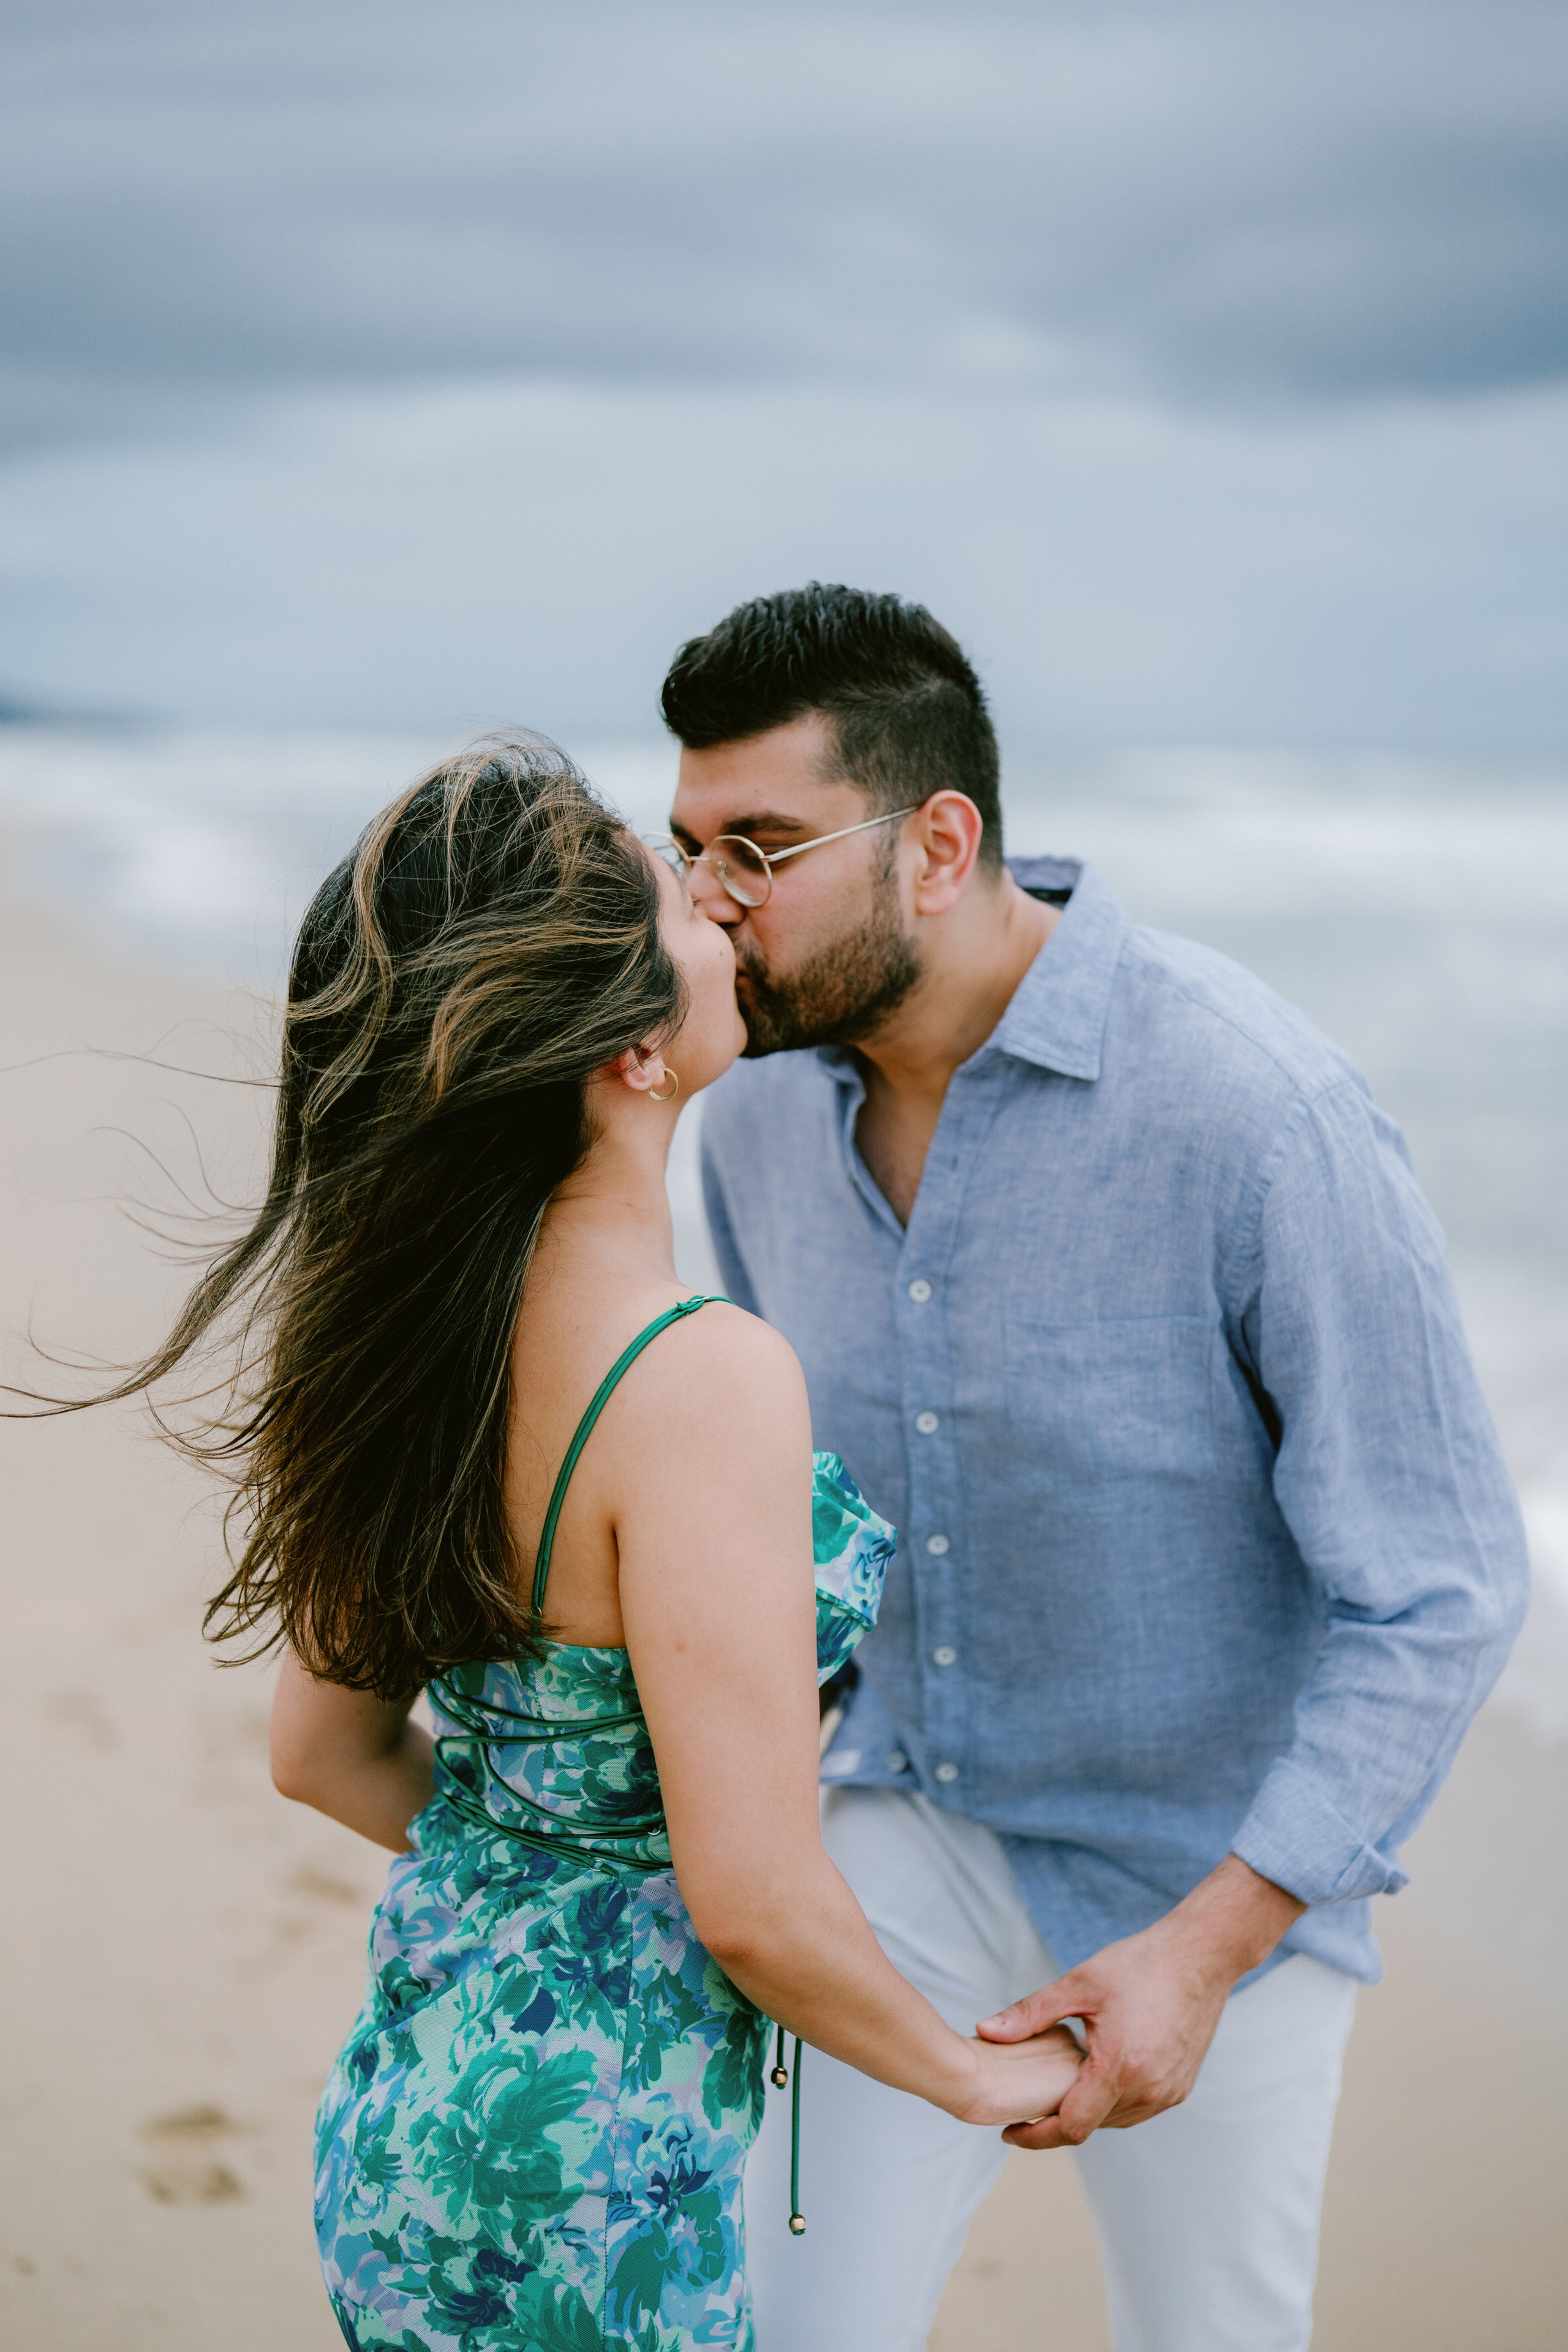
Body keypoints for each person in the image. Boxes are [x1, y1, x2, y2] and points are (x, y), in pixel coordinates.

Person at [78, 736, 1079, 2351]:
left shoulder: (402, 1342)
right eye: (678, 895)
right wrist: (972, 2070)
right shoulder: (698, 1377)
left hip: (412, 2121)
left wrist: (536, 1875)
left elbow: (321, 1757)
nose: (717, 901)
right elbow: (749, 1896)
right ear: (624, 1051)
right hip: (594, 2180)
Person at [660, 585, 1531, 2352]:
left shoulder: (1259, 1118)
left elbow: (1443, 1589)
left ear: (937, 843)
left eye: (757, 848)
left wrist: (1213, 1948)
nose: (707, 908)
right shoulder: (744, 1104)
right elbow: (786, 1515)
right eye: (689, 851)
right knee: (783, 2335)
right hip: (896, 1835)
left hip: (1214, 1884)